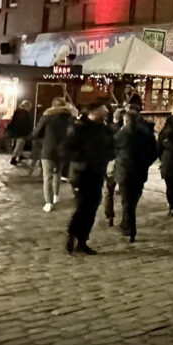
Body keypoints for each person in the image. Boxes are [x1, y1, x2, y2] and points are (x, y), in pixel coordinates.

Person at [62, 103, 115, 255]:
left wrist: (107, 156)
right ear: (94, 111)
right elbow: (67, 149)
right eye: (103, 109)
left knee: (92, 207)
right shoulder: (79, 127)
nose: (106, 112)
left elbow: (111, 147)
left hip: (97, 171)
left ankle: (82, 241)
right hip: (82, 172)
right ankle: (72, 235)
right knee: (82, 206)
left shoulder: (104, 129)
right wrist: (84, 158)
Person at [113, 111, 158, 243]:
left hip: (125, 170)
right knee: (133, 198)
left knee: (126, 200)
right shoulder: (146, 134)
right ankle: (127, 224)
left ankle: (129, 226)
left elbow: (113, 149)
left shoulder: (122, 134)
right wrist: (146, 163)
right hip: (140, 171)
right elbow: (154, 152)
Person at [33, 97, 76, 212]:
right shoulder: (70, 118)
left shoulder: (47, 117)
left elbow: (36, 133)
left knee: (48, 177)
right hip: (63, 150)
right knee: (58, 173)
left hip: (48, 149)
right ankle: (56, 196)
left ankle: (48, 202)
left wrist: (42, 142)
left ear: (53, 105)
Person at [6, 100, 33, 169]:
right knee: (19, 145)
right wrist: (29, 131)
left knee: (21, 144)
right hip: (21, 132)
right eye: (29, 107)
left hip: (17, 132)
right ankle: (13, 158)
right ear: (27, 106)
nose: (30, 108)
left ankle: (20, 155)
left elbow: (13, 121)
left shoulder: (18, 112)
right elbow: (27, 124)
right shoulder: (25, 113)